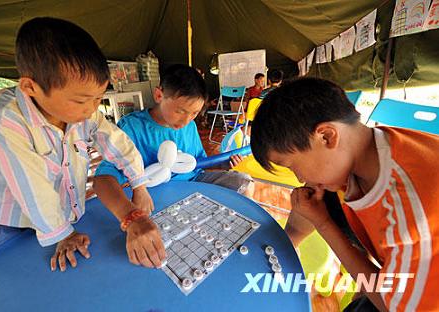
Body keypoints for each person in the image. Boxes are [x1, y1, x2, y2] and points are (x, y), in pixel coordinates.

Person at [0, 17, 166, 272]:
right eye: (82, 100)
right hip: (6, 228)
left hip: (58, 219)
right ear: (30, 87)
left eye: (98, 98)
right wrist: (63, 235)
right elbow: (33, 189)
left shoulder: (83, 112)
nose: (92, 108)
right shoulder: (4, 119)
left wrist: (139, 184)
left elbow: (117, 142)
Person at [250, 77, 439, 311]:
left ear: (326, 136)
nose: (298, 178)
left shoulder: (410, 213)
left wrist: (324, 223)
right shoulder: (362, 150)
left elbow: (393, 306)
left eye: (291, 166)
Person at [93, 65, 253, 214]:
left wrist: (221, 164)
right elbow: (104, 178)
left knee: (244, 182)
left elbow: (198, 163)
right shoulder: (132, 127)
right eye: (180, 111)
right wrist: (137, 195)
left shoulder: (189, 126)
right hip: (153, 190)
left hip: (194, 181)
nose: (186, 120)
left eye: (194, 113)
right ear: (158, 95)